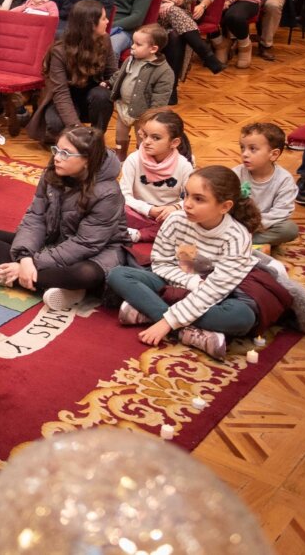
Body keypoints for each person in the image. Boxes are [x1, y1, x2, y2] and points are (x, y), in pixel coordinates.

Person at [106, 165, 262, 361]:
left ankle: (148, 312)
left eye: (199, 199)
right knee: (118, 275)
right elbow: (161, 264)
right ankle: (189, 333)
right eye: (186, 195)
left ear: (225, 207)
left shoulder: (237, 237)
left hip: (215, 296)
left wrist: (166, 323)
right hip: (177, 283)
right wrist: (190, 282)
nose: (187, 204)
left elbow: (215, 290)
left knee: (242, 317)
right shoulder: (176, 220)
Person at [0, 126, 129, 311]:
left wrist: (34, 263)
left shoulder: (108, 193)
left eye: (65, 153)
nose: (57, 157)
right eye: (56, 149)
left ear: (87, 160)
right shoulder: (53, 172)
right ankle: (64, 287)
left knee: (85, 274)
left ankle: (8, 276)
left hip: (97, 251)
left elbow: (86, 243)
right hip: (56, 240)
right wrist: (25, 258)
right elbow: (35, 218)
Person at [26, 0, 117, 145]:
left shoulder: (105, 39)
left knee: (103, 96)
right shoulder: (60, 50)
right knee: (56, 125)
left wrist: (108, 83)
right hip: (65, 98)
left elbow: (112, 74)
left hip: (91, 97)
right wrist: (76, 128)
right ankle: (70, 140)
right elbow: (61, 93)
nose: (107, 22)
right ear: (91, 24)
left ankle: (96, 141)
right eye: (104, 18)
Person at [120, 110, 194, 242]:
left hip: (167, 215)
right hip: (138, 212)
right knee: (114, 208)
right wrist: (149, 210)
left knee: (188, 217)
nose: (147, 142)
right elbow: (123, 195)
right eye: (145, 135)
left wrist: (175, 207)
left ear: (174, 142)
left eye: (156, 138)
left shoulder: (184, 165)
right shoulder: (133, 160)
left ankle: (140, 235)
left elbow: (192, 199)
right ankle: (153, 234)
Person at [107, 24, 174, 158]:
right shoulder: (130, 59)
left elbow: (161, 96)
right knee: (120, 132)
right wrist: (110, 82)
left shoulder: (164, 71)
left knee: (142, 136)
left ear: (153, 49)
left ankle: (141, 157)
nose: (132, 46)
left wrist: (152, 116)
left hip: (143, 113)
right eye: (133, 42)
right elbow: (120, 74)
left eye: (138, 44)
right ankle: (120, 154)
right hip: (124, 107)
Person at [235, 122, 299, 248]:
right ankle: (246, 241)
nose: (245, 154)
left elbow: (281, 212)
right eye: (242, 147)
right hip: (237, 223)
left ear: (273, 154)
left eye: (252, 149)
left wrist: (254, 225)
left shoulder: (284, 180)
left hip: (263, 226)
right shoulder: (236, 174)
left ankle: (241, 241)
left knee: (289, 229)